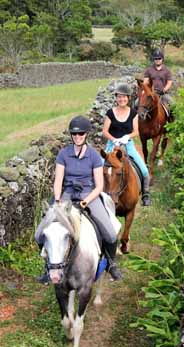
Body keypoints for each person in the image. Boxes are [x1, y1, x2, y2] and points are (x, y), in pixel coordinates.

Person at [36, 115, 122, 282]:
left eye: (81, 134)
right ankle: (48, 266)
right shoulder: (63, 154)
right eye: (74, 134)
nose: (77, 137)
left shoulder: (94, 156)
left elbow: (99, 186)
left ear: (86, 135)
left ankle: (111, 264)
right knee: (39, 234)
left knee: (110, 234)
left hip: (88, 194)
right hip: (66, 194)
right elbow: (58, 181)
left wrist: (85, 201)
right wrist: (58, 200)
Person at [102, 82, 152, 206]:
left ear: (128, 98)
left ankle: (145, 195)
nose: (122, 99)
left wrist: (126, 137)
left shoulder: (133, 113)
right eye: (119, 96)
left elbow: (136, 132)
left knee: (145, 171)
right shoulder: (110, 113)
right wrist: (113, 139)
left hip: (127, 145)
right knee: (97, 169)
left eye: (124, 97)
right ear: (116, 98)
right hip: (111, 145)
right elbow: (104, 131)